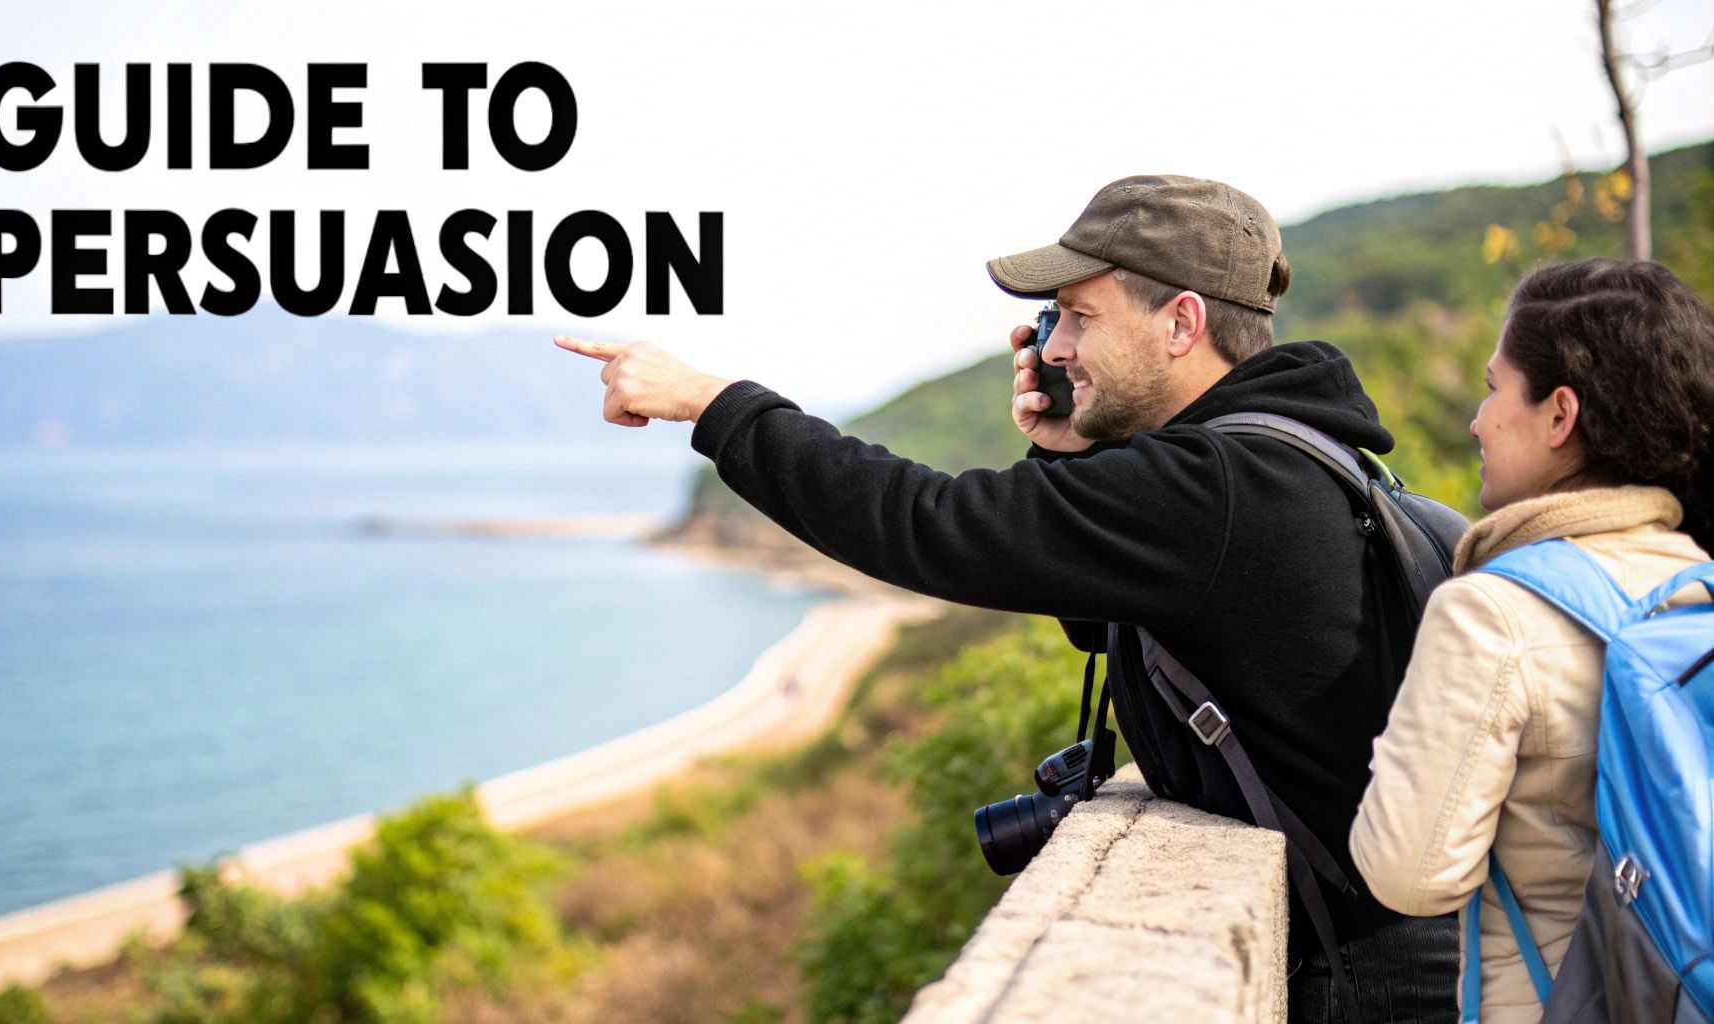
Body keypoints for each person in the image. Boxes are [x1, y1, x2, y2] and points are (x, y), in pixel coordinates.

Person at [558, 175, 1457, 1022]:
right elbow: (1106, 613)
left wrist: (715, 405)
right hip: (1390, 946)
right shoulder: (1279, 456)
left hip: (1366, 980)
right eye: (1053, 320)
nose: (1055, 349)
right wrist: (1071, 457)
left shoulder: (1218, 485)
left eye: (1079, 317)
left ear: (1182, 322)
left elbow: (926, 525)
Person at [1349, 259, 1714, 1023]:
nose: (1478, 420)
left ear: (1559, 416)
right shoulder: (1700, 581)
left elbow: (1407, 874)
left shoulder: (1491, 612)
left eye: (1495, 388)